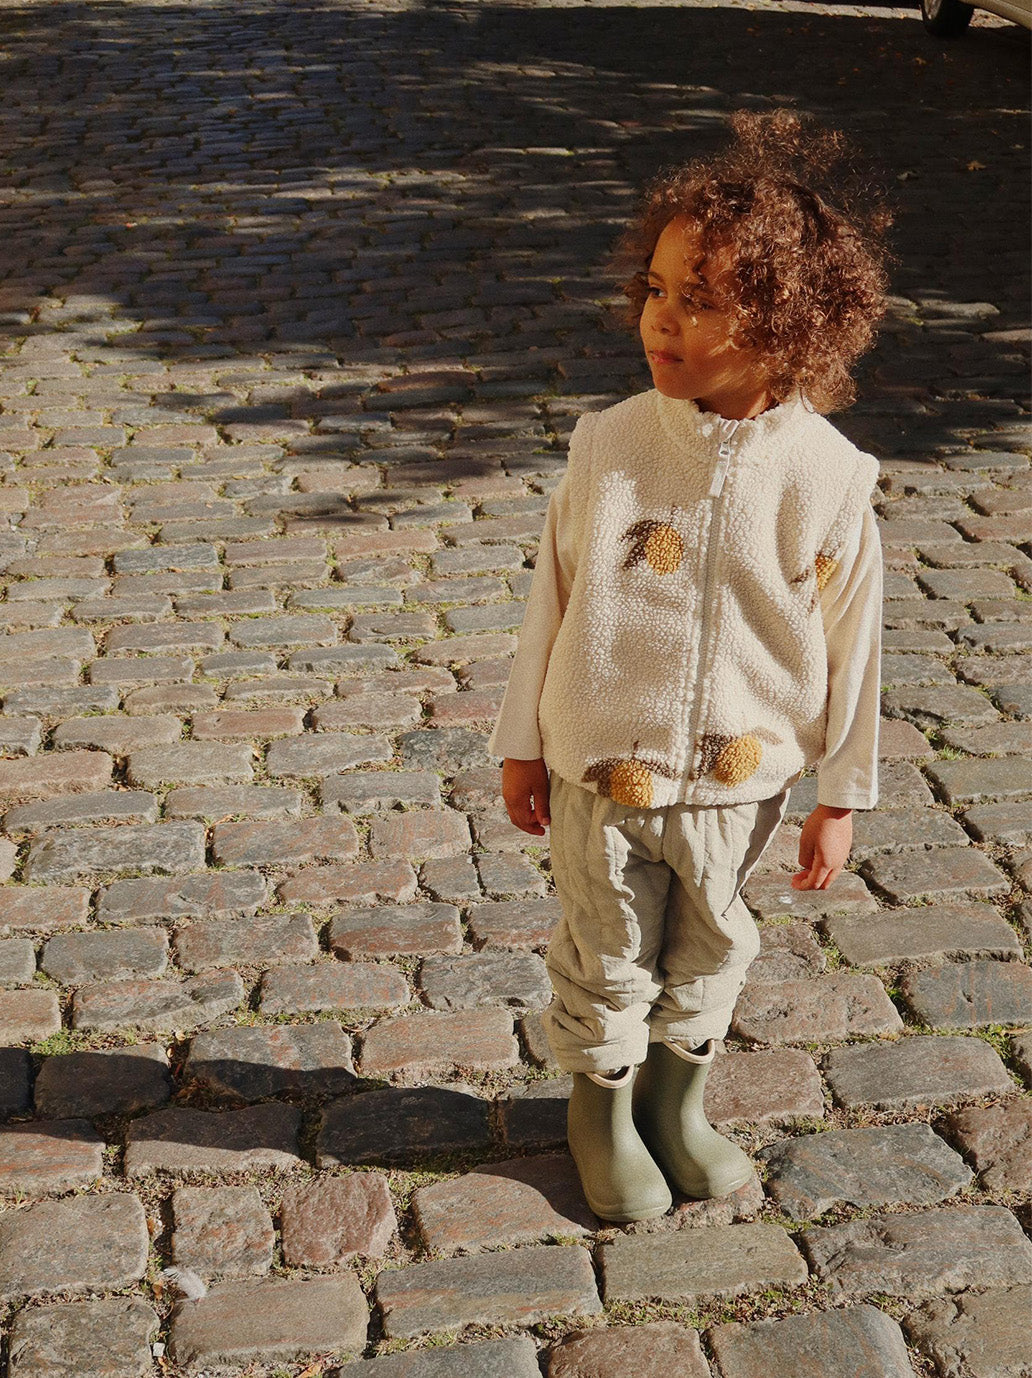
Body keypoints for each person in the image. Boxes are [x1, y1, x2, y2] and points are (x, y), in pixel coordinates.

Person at [488, 109, 894, 1223]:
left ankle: (677, 1107)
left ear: (789, 327)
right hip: (600, 768)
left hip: (739, 779)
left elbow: (855, 644)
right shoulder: (611, 444)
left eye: (701, 301)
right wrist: (522, 742)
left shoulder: (828, 476)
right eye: (656, 289)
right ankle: (601, 1115)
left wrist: (841, 796)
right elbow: (551, 595)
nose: (660, 318)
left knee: (714, 945)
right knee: (607, 947)